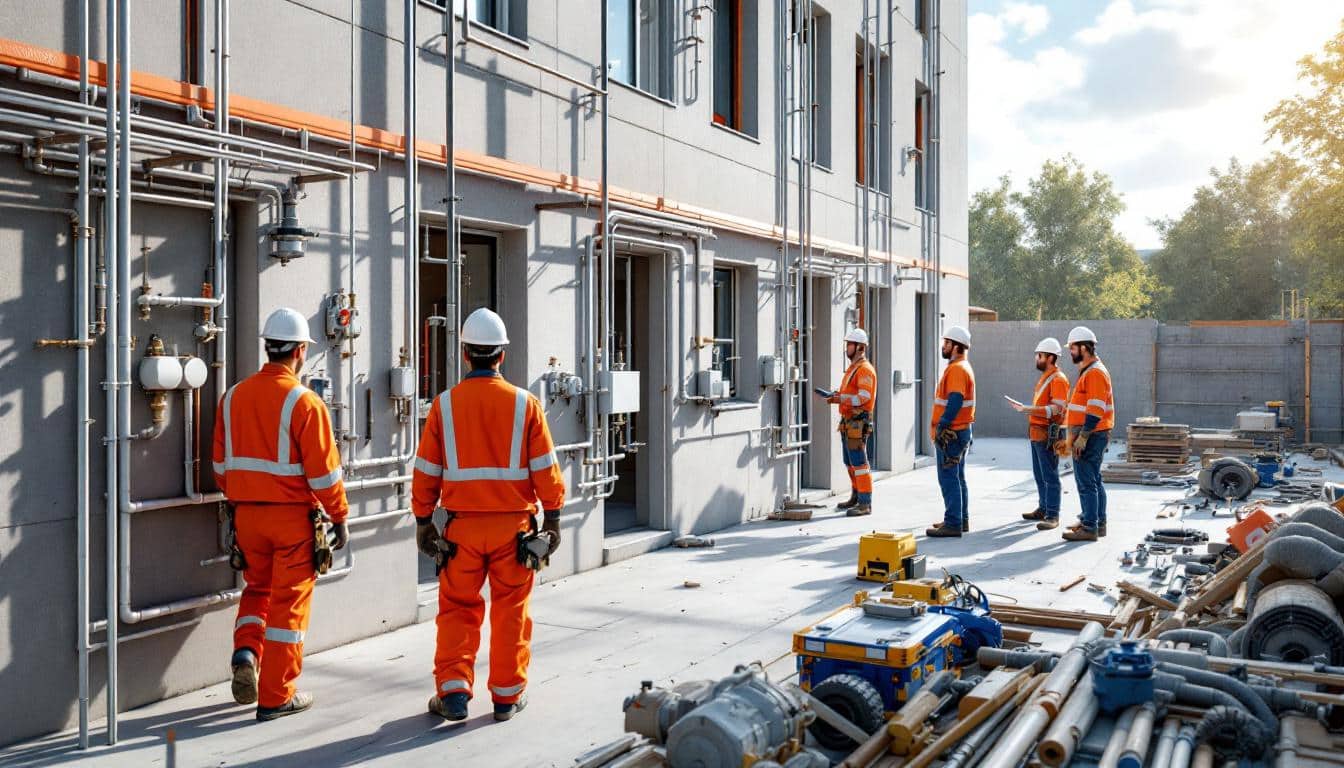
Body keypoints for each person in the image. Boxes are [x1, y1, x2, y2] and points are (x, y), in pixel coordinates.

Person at [412, 308, 566, 722]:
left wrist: (423, 521)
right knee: (510, 610)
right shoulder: (526, 405)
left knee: (458, 609)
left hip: (460, 529)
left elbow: (426, 469)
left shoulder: (443, 407)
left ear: (465, 354)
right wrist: (552, 519)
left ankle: (454, 692)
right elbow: (546, 470)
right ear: (502, 355)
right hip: (512, 530)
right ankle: (505, 697)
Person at [214, 307, 349, 721]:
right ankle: (276, 697)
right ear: (301, 351)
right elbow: (324, 472)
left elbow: (220, 468)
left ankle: (245, 653)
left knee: (257, 590)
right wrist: (339, 516)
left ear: (268, 348)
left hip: (247, 518)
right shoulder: (305, 403)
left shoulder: (232, 396)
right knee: (289, 605)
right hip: (292, 520)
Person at [1061, 326, 1114, 542]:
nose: (1070, 351)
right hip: (1092, 433)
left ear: (1084, 347)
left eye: (1073, 347)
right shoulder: (1089, 371)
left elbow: (1095, 408)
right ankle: (1095, 521)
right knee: (1094, 479)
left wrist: (1082, 437)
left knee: (1086, 481)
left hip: (1091, 434)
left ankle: (1090, 526)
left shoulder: (1095, 373)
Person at [819, 327, 878, 516]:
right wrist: (837, 396)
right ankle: (856, 496)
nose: (847, 348)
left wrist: (840, 398)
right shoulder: (854, 369)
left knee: (859, 463)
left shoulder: (864, 370)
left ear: (860, 347)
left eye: (850, 345)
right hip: (849, 421)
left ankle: (865, 502)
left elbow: (863, 397)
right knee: (850, 462)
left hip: (858, 422)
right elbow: (850, 394)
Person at [1014, 338, 1069, 530]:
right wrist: (1028, 410)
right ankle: (1043, 508)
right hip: (1037, 433)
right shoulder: (1046, 377)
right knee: (1040, 474)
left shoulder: (1058, 379)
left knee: (1050, 475)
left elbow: (1056, 409)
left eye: (1040, 356)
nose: (1036, 359)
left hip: (1048, 435)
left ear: (1051, 357)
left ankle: (1053, 515)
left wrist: (1028, 409)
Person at [926, 326, 975, 538]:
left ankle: (953, 522)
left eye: (946, 343)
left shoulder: (957, 369)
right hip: (961, 431)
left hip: (952, 434)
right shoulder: (962, 366)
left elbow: (955, 399)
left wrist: (943, 425)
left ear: (956, 346)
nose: (943, 346)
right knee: (958, 477)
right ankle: (960, 519)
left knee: (948, 477)